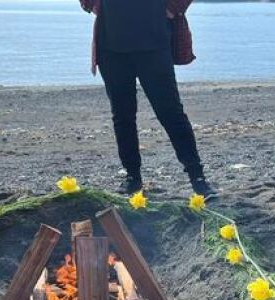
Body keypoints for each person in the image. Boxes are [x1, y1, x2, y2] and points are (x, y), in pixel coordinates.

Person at [79, 0, 218, 199]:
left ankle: (198, 178)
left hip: (155, 40)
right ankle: (132, 178)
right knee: (122, 116)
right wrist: (90, 4)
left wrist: (173, 8)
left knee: (171, 113)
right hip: (110, 43)